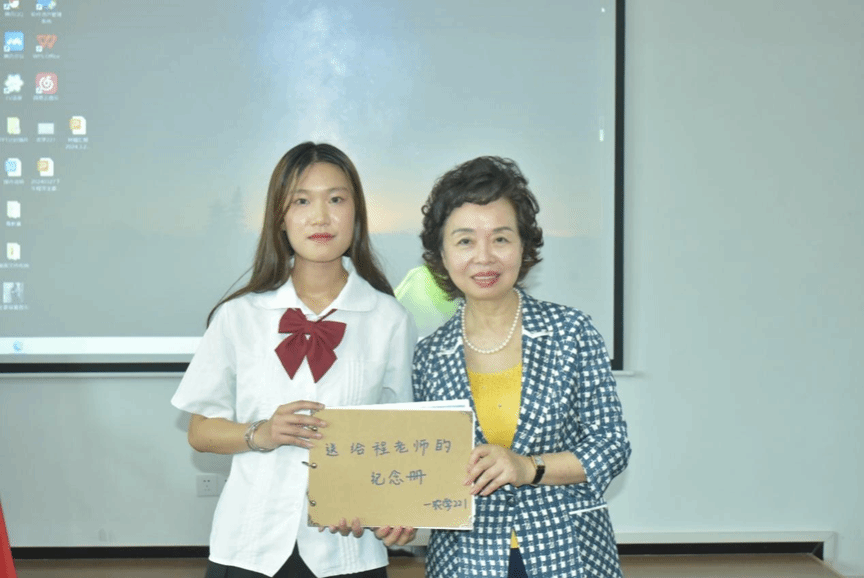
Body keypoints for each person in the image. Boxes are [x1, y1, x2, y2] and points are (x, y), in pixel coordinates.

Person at [172, 142, 417, 578]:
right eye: (302, 201)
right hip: (249, 545)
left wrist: (396, 510)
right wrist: (262, 433)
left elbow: (405, 435)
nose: (320, 217)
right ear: (280, 217)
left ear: (357, 213)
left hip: (349, 548)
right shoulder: (238, 316)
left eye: (336, 199)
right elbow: (200, 431)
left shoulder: (389, 319)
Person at [412, 156, 631, 578]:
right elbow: (429, 467)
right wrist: (397, 512)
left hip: (568, 553)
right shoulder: (429, 356)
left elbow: (611, 445)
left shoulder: (571, 332)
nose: (484, 257)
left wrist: (527, 467)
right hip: (466, 561)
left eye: (500, 238)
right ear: (441, 253)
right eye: (464, 241)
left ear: (523, 246)